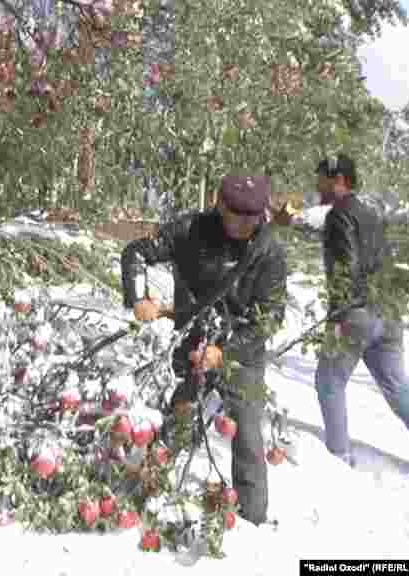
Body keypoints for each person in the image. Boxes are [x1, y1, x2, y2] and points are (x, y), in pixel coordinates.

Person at [120, 174, 288, 526]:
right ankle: (147, 491)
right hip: (194, 340)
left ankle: (252, 517)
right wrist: (138, 297)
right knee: (179, 416)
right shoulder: (190, 230)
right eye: (237, 215)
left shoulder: (268, 250)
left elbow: (270, 318)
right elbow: (136, 252)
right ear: (220, 204)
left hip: (242, 350)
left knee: (247, 429)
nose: (245, 224)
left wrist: (225, 352)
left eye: (252, 217)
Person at [313, 154, 409, 467]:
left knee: (329, 381)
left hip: (357, 313)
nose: (317, 184)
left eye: (322, 179)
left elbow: (346, 268)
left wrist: (338, 317)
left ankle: (339, 457)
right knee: (398, 388)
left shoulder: (339, 215)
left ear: (339, 180)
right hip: (388, 312)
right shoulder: (370, 212)